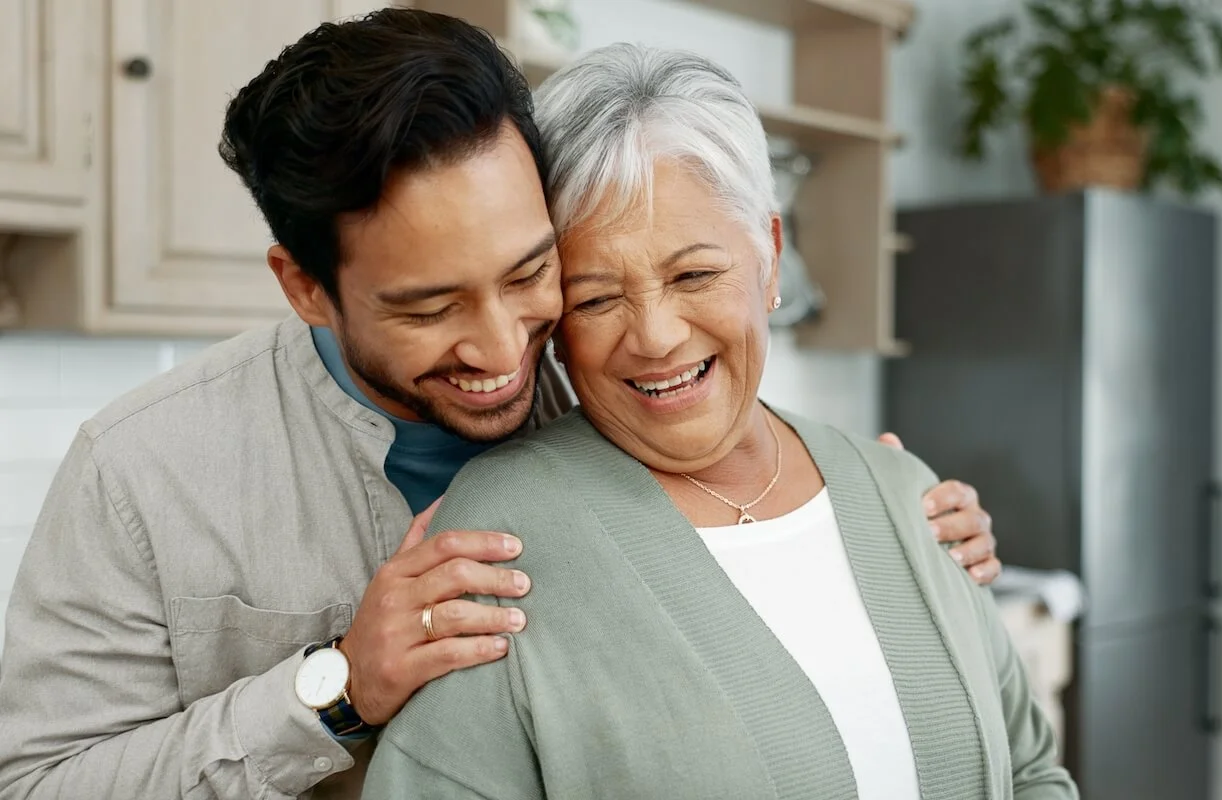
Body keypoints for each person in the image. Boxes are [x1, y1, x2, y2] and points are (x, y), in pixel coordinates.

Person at [0, 10, 1000, 800]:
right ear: (304, 286)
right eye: (428, 306)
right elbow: (37, 783)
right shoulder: (145, 470)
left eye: (533, 272)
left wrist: (875, 524)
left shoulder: (610, 379)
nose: (500, 346)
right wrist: (337, 687)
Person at [362, 43, 1077, 800]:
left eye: (694, 275)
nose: (657, 335)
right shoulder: (499, 538)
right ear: (555, 325)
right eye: (597, 298)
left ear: (768, 258)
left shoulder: (906, 491)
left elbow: (1031, 771)